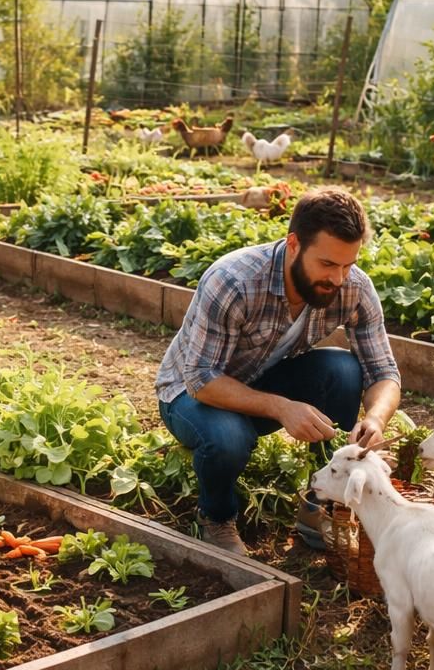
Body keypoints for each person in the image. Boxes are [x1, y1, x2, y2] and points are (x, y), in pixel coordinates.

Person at [155, 187, 402, 556]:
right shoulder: (235, 281)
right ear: (293, 245)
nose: (338, 278)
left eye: (347, 264)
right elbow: (202, 378)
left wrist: (377, 419)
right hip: (190, 396)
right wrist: (282, 408)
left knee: (344, 370)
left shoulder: (353, 288)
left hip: (263, 380)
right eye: (327, 264)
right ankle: (216, 517)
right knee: (227, 437)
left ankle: (319, 503)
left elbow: (384, 370)